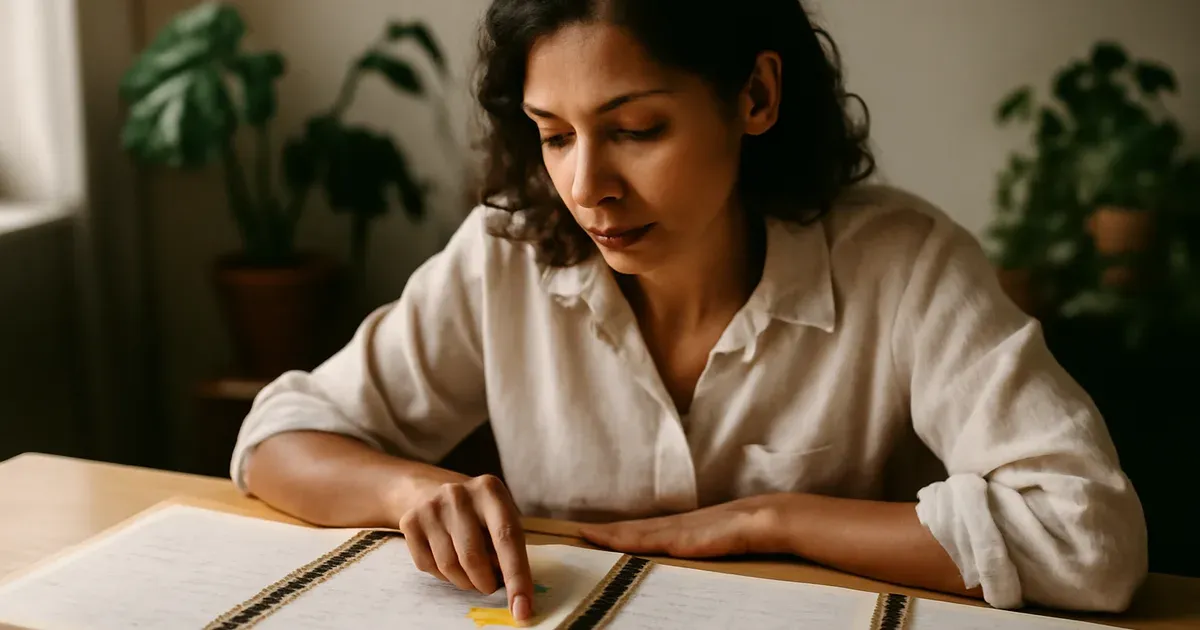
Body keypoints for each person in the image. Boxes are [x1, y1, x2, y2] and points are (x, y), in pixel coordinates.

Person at [230, 0, 1148, 623]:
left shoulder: (904, 264)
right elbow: (279, 437)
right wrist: (407, 491)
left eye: (636, 130)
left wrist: (772, 522)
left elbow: (1091, 537)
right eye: (554, 135)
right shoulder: (504, 254)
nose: (587, 187)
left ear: (755, 96)